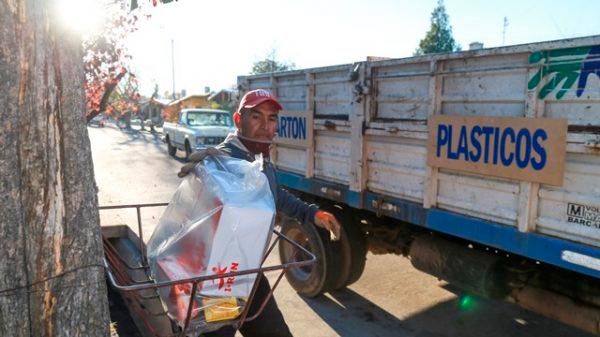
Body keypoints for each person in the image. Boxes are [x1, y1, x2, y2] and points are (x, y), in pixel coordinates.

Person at [178, 89, 342, 337]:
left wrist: (313, 214)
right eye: (256, 117)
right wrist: (207, 170)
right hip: (217, 280)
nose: (266, 126)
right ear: (238, 120)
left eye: (272, 118)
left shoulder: (260, 158)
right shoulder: (224, 161)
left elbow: (274, 195)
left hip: (248, 272)